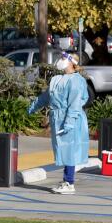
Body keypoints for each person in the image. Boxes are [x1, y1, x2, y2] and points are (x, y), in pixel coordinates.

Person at [28, 52, 89, 194]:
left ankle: (69, 183)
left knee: (70, 151)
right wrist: (34, 106)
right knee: (63, 150)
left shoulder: (76, 81)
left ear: (71, 63)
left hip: (70, 119)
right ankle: (66, 181)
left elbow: (75, 103)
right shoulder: (56, 79)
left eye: (63, 59)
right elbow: (47, 96)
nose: (60, 61)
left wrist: (69, 122)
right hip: (58, 118)